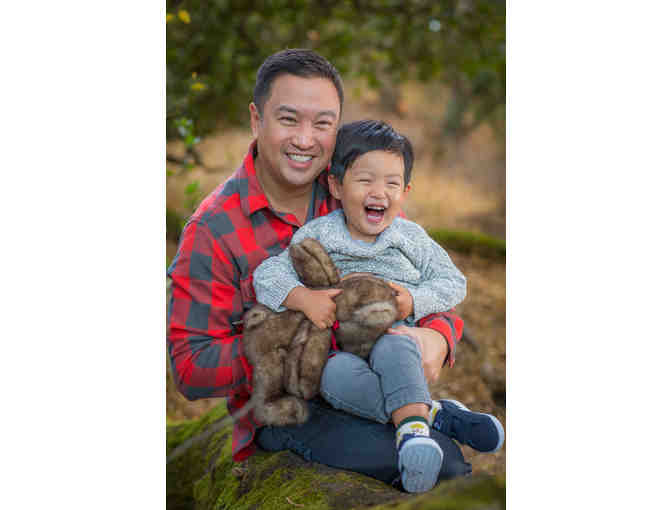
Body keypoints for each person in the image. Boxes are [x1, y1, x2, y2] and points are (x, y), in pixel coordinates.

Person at [167, 48, 472, 490]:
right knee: (444, 466)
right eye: (289, 119)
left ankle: (432, 417)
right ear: (256, 120)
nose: (305, 139)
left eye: (323, 124)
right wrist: (295, 344)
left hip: (375, 374)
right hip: (289, 409)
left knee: (444, 461)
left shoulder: (358, 189)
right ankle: (436, 418)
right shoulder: (213, 229)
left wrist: (439, 337)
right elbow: (191, 366)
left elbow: (420, 285)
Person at [252, 120, 503, 492]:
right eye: (365, 180)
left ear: (405, 191)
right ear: (336, 186)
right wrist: (304, 298)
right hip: (342, 352)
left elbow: (454, 282)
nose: (379, 192)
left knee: (396, 346)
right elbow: (268, 273)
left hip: (395, 340)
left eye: (391, 183)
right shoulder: (320, 234)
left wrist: (413, 300)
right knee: (332, 375)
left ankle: (414, 434)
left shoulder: (411, 238)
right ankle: (431, 416)